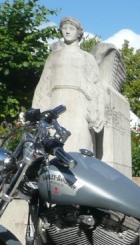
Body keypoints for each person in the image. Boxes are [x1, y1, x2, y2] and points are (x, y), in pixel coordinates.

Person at [33, 17, 105, 155]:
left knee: (79, 142)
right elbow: (43, 84)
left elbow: (96, 87)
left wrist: (98, 113)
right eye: (64, 28)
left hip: (80, 105)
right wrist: (37, 110)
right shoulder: (53, 56)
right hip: (55, 102)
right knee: (53, 142)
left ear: (79, 33)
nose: (67, 31)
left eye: (71, 28)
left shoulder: (87, 57)